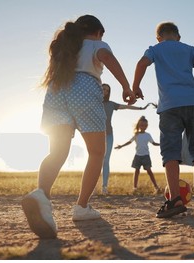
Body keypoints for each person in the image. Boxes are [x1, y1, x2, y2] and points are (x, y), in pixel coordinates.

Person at [21, 15, 136, 239]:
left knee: (58, 151)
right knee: (97, 152)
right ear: (98, 32)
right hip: (84, 89)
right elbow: (107, 57)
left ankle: (41, 195)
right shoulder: (97, 44)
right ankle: (82, 207)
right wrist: (126, 86)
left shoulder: (64, 47)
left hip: (57, 90)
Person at [132, 22, 194, 218]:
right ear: (178, 36)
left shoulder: (155, 49)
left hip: (169, 107)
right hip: (193, 103)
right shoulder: (188, 48)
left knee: (170, 152)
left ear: (158, 37)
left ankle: (174, 199)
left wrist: (136, 87)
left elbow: (142, 63)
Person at [101, 83, 155, 195]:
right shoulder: (93, 103)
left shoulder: (111, 105)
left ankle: (104, 187)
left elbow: (126, 107)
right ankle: (90, 186)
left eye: (106, 90)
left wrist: (141, 108)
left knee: (106, 161)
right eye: (102, 89)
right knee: (96, 160)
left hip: (109, 135)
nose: (104, 91)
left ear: (108, 92)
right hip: (95, 134)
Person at [115, 116, 161, 193]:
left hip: (146, 156)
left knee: (149, 171)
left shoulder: (148, 135)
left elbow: (153, 143)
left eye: (145, 125)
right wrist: (121, 146)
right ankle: (135, 188)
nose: (144, 127)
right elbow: (129, 142)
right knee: (136, 171)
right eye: (142, 125)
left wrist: (161, 144)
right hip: (138, 156)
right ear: (139, 126)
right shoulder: (136, 135)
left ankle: (156, 187)